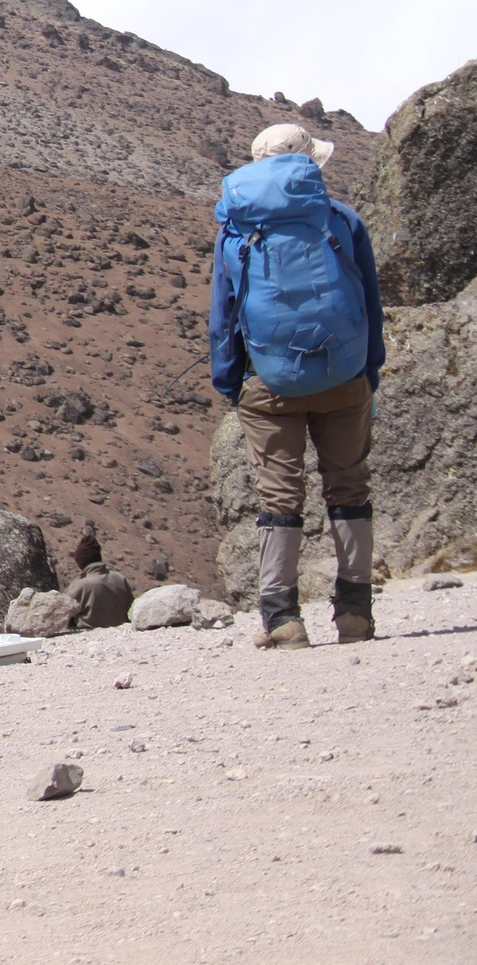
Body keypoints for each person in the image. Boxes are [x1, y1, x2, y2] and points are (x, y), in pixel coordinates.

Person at [210, 122, 385, 650]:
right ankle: (355, 613)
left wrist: (232, 382)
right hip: (344, 376)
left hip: (268, 383)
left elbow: (224, 317)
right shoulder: (342, 220)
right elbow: (369, 306)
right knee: (349, 487)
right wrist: (365, 373)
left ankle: (282, 619)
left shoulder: (236, 231)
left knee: (279, 497)